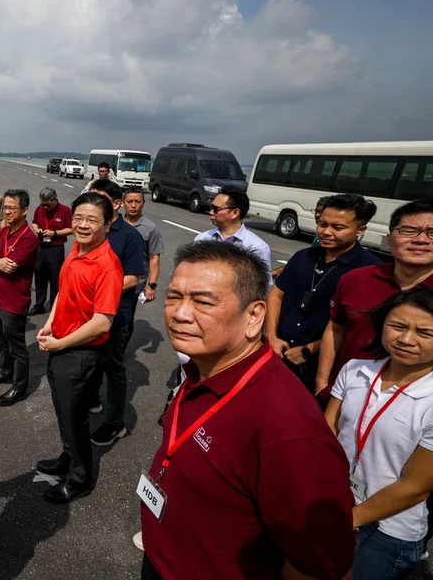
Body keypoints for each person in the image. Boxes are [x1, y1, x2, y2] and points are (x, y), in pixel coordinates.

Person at [139, 240, 354, 580]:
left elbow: (320, 565)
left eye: (202, 301)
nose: (180, 313)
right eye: (174, 297)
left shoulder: (288, 429)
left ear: (254, 315)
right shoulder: (203, 367)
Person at [325, 287, 433, 579]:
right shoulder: (355, 370)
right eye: (398, 326)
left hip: (387, 531)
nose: (407, 339)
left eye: (425, 333)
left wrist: (350, 518)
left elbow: (416, 486)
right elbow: (328, 434)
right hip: (333, 507)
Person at [35, 192, 123, 504]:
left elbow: (102, 323)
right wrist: (50, 321)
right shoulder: (77, 249)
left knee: (74, 417)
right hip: (61, 345)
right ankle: (68, 457)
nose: (83, 225)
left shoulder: (107, 266)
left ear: (108, 225)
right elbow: (64, 292)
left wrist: (61, 342)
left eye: (92, 220)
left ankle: (79, 478)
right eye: (79, 218)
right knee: (64, 412)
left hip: (80, 353)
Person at [317, 200, 433, 396]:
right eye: (408, 230)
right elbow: (335, 329)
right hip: (344, 392)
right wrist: (322, 382)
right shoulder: (355, 279)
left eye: (432, 233)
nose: (421, 239)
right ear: (389, 239)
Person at [266, 193, 380, 393]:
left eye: (338, 227)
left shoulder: (368, 270)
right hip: (276, 352)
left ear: (360, 230)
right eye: (322, 224)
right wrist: (272, 336)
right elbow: (276, 294)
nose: (326, 232)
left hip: (319, 368)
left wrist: (308, 350)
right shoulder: (303, 256)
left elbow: (353, 328)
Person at [88, 178, 145, 446]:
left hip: (116, 315)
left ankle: (115, 422)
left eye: (100, 199)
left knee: (114, 367)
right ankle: (92, 400)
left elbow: (133, 277)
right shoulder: (93, 229)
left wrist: (99, 290)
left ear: (117, 203)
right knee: (91, 360)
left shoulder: (130, 236)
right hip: (88, 313)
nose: (93, 204)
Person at [0, 189, 39, 406]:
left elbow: (10, 267)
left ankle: (19, 387)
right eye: (5, 207)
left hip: (14, 303)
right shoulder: (3, 232)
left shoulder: (29, 238)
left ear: (24, 210)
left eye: (11, 208)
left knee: (17, 348)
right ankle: (5, 371)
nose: (6, 212)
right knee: (2, 342)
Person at [194, 186, 272, 279]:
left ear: (235, 213)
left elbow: (262, 287)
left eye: (216, 209)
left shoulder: (258, 248)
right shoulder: (202, 239)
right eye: (211, 207)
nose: (211, 212)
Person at [29, 187, 73, 315]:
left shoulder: (65, 211)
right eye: (43, 204)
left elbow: (71, 229)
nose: (45, 207)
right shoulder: (39, 209)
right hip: (41, 247)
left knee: (55, 278)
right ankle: (39, 305)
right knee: (39, 276)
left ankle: (55, 305)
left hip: (55, 248)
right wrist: (37, 230)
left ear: (55, 200)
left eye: (48, 204)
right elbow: (35, 222)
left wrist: (55, 233)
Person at [122, 188, 166, 309]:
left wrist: (151, 285)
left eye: (138, 201)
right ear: (122, 202)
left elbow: (154, 257)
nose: (134, 205)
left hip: (135, 285)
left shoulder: (150, 228)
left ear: (144, 203)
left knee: (126, 321)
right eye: (129, 201)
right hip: (111, 281)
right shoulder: (115, 224)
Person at [270, 196, 329, 280]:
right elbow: (306, 261)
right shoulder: (319, 236)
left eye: (321, 212)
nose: (317, 215)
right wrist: (279, 271)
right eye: (316, 211)